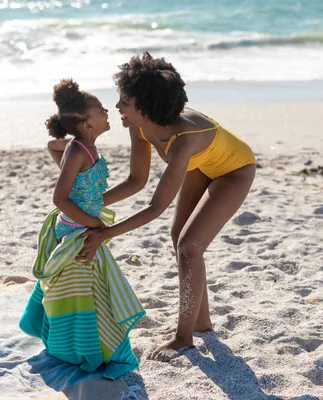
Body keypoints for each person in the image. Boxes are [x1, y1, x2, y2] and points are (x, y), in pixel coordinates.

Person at [76, 52, 256, 362]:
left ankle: (184, 337)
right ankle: (201, 322)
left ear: (146, 108)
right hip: (204, 164)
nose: (117, 106)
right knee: (180, 239)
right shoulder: (140, 124)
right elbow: (136, 180)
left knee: (189, 246)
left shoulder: (183, 141)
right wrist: (89, 203)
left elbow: (156, 206)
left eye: (125, 102)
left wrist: (106, 234)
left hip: (234, 171)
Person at [19, 79, 145, 380]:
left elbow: (53, 146)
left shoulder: (82, 147)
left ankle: (86, 345)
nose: (108, 111)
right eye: (102, 109)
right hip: (76, 233)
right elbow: (59, 199)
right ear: (88, 123)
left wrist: (76, 181)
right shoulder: (78, 151)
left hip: (83, 225)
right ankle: (81, 349)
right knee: (79, 294)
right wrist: (95, 223)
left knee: (89, 290)